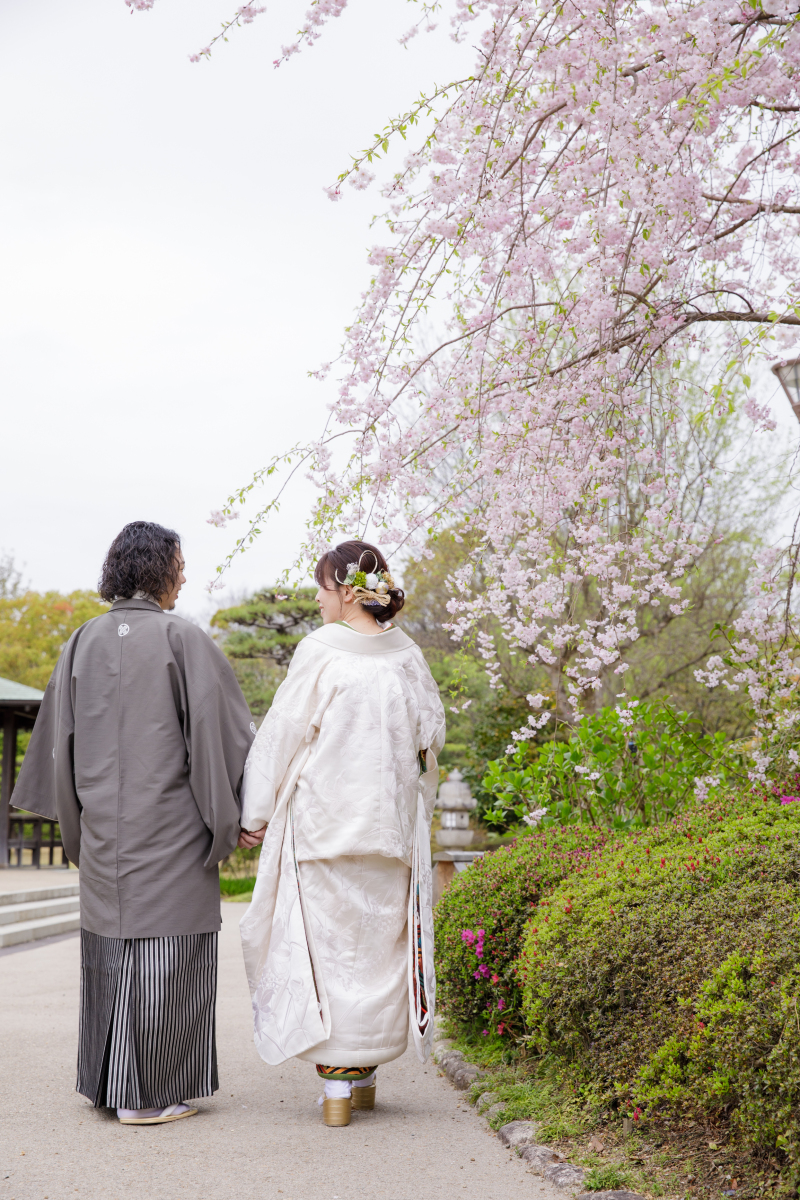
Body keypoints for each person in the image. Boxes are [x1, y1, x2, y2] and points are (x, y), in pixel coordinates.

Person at [11, 521, 262, 1126]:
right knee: (167, 959)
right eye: (180, 564)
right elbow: (221, 739)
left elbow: (56, 747)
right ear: (158, 570)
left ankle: (111, 1084)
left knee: (110, 955)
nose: (185, 576)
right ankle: (146, 1096)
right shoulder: (183, 639)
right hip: (171, 829)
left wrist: (80, 823)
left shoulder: (81, 641)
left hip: (104, 832)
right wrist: (238, 814)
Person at [239, 540, 446, 1127]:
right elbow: (431, 738)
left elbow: (282, 733)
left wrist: (255, 812)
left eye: (324, 588)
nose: (318, 599)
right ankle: (367, 1076)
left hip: (325, 825)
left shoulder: (321, 652)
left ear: (350, 590)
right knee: (378, 951)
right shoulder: (409, 657)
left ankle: (337, 1085)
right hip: (389, 830)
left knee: (327, 956)